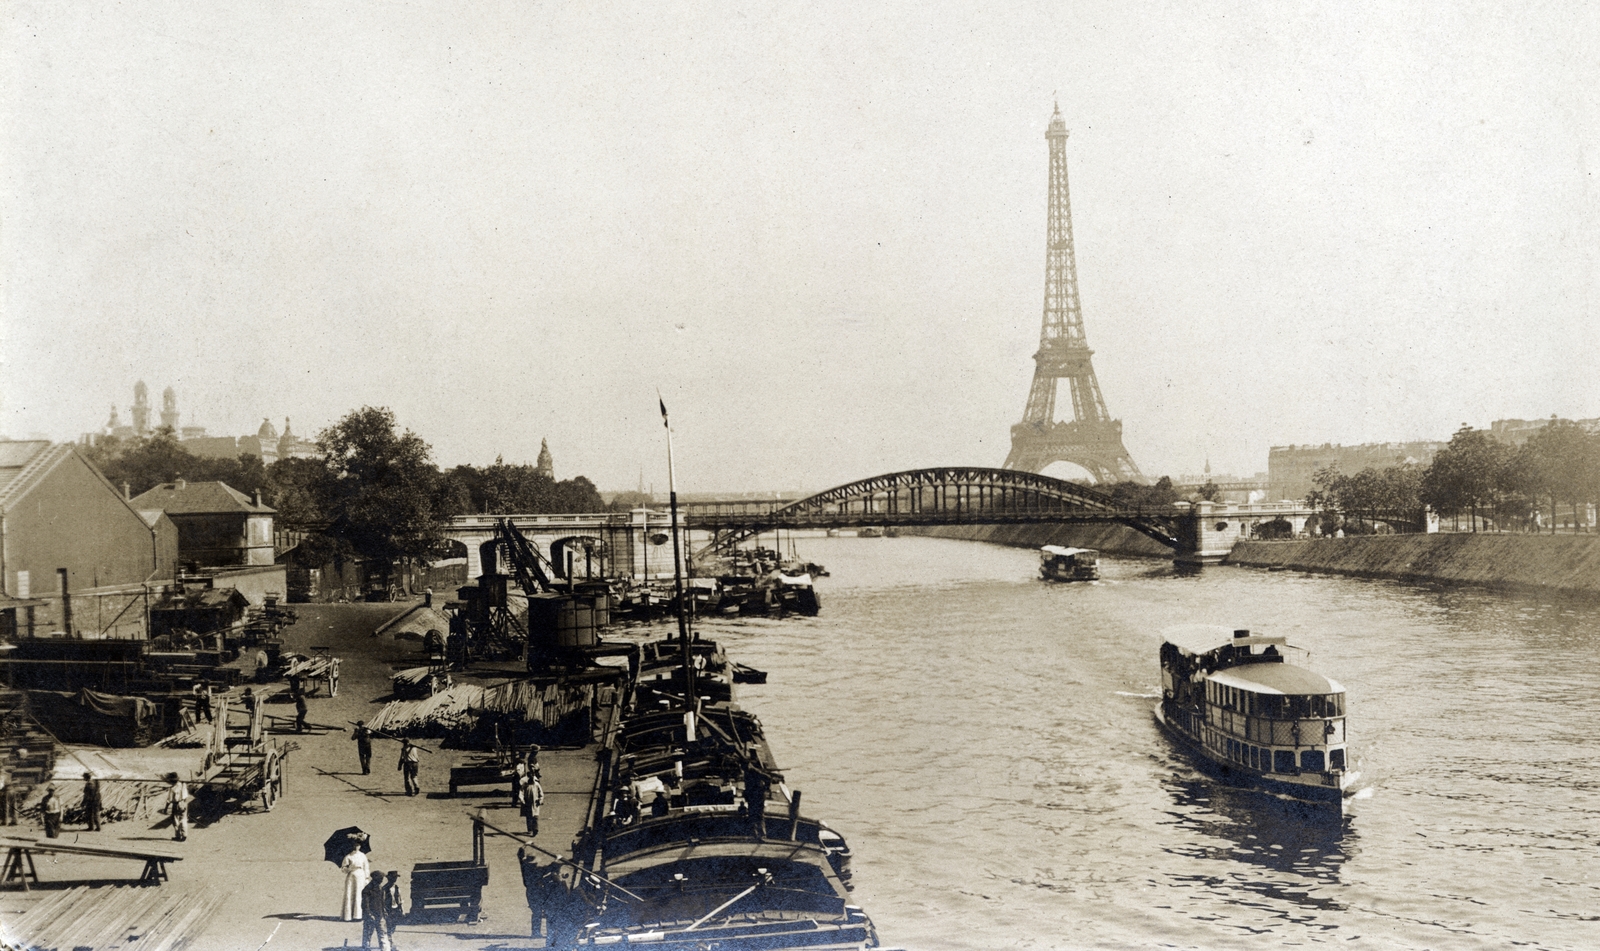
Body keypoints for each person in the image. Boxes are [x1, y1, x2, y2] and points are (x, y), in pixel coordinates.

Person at [341, 838, 371, 921]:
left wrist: (366, 878)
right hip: (351, 876)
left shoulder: (363, 856)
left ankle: (358, 916)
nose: (356, 847)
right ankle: (348, 916)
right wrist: (349, 868)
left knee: (360, 894)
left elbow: (366, 867)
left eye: (358, 845)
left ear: (360, 846)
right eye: (354, 845)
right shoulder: (348, 856)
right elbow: (343, 869)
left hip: (361, 875)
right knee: (350, 894)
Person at [361, 871, 390, 950]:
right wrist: (369, 914)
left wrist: (384, 912)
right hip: (370, 916)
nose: (382, 880)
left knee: (383, 934)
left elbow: (382, 902)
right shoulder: (367, 890)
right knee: (367, 935)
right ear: (375, 878)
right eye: (381, 878)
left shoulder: (381, 888)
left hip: (380, 915)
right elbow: (365, 905)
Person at [381, 870, 404, 947]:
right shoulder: (384, 888)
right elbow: (383, 900)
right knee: (389, 925)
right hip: (388, 909)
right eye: (393, 878)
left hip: (396, 908)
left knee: (394, 924)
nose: (394, 879)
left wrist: (401, 909)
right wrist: (384, 910)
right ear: (388, 878)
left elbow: (400, 898)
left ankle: (390, 938)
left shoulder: (397, 887)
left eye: (395, 878)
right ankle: (390, 940)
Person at [164, 773, 189, 841]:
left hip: (176, 804)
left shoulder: (172, 788)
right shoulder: (183, 785)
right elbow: (186, 796)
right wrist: (184, 804)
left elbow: (169, 800)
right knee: (183, 819)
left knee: (175, 819)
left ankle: (178, 835)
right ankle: (184, 835)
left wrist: (166, 808)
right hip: (183, 803)